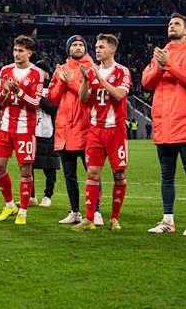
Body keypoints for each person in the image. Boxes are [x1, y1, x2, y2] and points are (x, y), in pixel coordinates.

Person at [142, 13, 186, 236]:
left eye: (177, 23)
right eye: (170, 23)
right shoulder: (160, 54)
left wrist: (167, 64)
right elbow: (146, 82)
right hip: (163, 124)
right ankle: (167, 220)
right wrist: (160, 66)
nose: (172, 26)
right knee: (166, 176)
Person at [72, 34, 131, 232]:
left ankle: (114, 218)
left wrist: (100, 79)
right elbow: (84, 99)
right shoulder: (92, 71)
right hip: (96, 130)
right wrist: (86, 81)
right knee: (92, 172)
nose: (97, 49)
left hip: (116, 130)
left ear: (112, 50)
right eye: (96, 46)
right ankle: (89, 218)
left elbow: (120, 95)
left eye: (102, 47)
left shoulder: (122, 71)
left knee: (119, 174)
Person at [47, 35, 101, 225]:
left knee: (92, 173)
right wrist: (62, 81)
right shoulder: (61, 69)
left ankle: (96, 211)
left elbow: (90, 96)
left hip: (86, 129)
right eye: (74, 45)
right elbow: (52, 98)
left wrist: (69, 82)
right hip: (64, 131)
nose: (77, 47)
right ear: (68, 49)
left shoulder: (93, 68)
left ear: (86, 49)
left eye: (81, 45)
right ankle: (75, 211)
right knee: (69, 175)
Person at [0, 35, 44, 225]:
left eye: (20, 50)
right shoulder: (6, 71)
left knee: (25, 170)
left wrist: (19, 92)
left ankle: (22, 210)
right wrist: (6, 91)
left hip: (25, 128)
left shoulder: (36, 73)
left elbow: (36, 103)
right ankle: (9, 205)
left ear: (29, 53)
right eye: (15, 50)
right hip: (5, 126)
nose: (16, 54)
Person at [32, 59, 59, 209]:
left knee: (50, 166)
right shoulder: (30, 88)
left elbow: (54, 109)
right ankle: (31, 195)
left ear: (47, 75)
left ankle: (48, 195)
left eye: (41, 70)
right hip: (31, 131)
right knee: (28, 165)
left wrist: (37, 98)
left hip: (49, 131)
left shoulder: (53, 90)